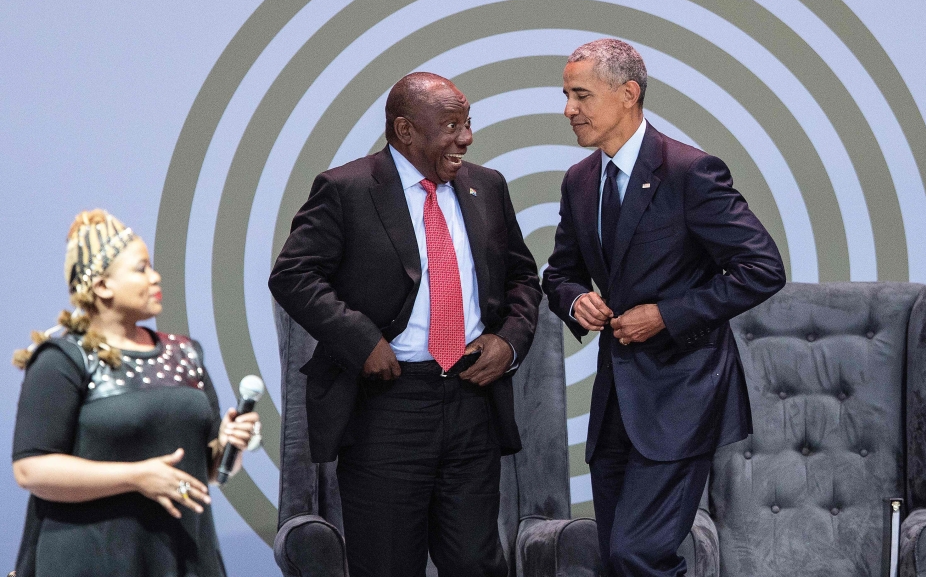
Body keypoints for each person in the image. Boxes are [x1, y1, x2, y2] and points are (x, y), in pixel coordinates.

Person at [269, 72, 542, 577]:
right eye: (452, 125)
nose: (467, 137)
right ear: (406, 130)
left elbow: (523, 277)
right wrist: (361, 338)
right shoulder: (345, 188)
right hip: (385, 408)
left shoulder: (488, 186)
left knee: (477, 564)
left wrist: (510, 341)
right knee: (388, 565)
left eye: (468, 123)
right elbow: (293, 274)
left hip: (470, 401)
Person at [543, 39, 786, 576]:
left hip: (682, 396)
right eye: (565, 95)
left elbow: (763, 269)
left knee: (638, 555)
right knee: (618, 559)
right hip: (615, 407)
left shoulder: (691, 173)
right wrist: (574, 298)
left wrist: (667, 315)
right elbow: (559, 272)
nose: (568, 110)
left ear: (627, 93)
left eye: (580, 95)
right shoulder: (580, 181)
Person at [10, 210, 260, 577]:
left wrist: (229, 446)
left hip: (183, 555)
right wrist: (135, 477)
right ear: (102, 286)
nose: (155, 277)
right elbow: (31, 470)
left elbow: (204, 471)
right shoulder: (63, 360)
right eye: (141, 269)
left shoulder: (186, 353)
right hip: (89, 559)